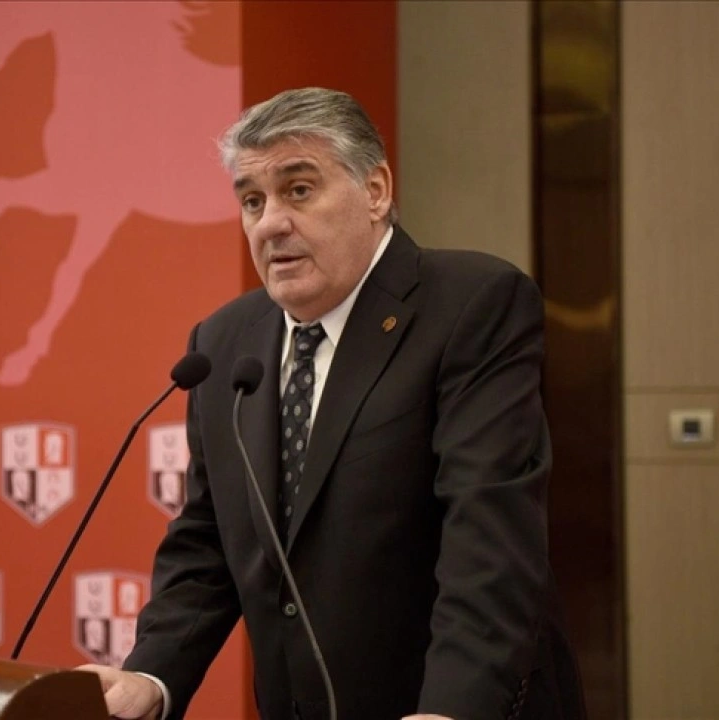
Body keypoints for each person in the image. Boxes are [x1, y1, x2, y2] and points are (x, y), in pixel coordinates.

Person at [79, 88, 585, 720]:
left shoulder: (472, 305)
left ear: (375, 191)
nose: (270, 223)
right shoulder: (224, 343)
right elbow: (208, 539)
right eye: (252, 201)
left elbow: (488, 534)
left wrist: (452, 707)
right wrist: (151, 674)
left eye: (299, 190)